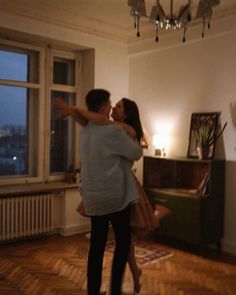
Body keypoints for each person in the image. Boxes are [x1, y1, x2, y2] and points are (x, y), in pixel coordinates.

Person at [55, 95, 170, 294]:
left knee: (129, 235)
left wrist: (73, 109)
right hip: (107, 188)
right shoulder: (109, 128)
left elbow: (99, 121)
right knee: (119, 240)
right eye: (113, 105)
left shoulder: (127, 130)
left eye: (118, 107)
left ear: (127, 114)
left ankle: (158, 214)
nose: (114, 108)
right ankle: (126, 277)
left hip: (123, 189)